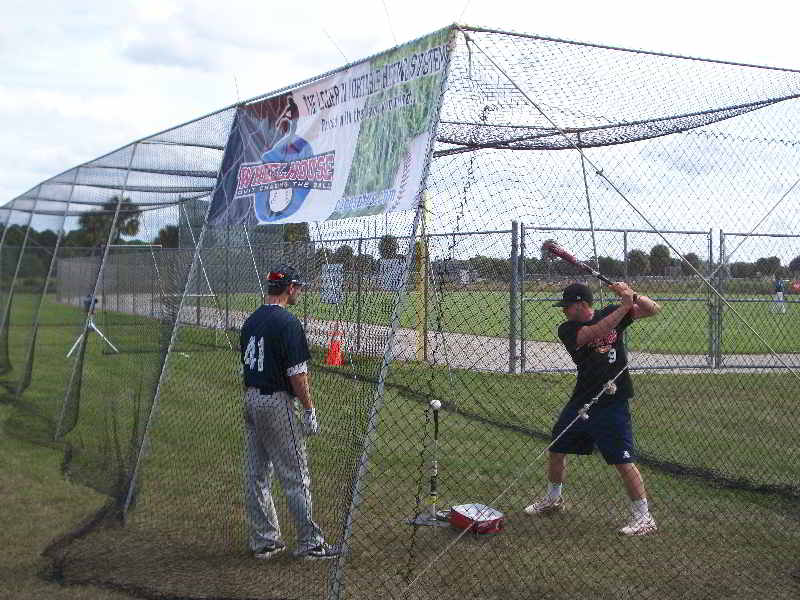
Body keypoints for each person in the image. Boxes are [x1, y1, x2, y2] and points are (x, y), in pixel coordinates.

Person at [524, 281, 661, 536]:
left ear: (582, 305)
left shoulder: (612, 311)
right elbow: (594, 333)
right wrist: (624, 307)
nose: (564, 310)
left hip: (612, 401)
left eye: (568, 306)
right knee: (557, 446)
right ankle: (554, 499)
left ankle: (644, 518)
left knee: (622, 460)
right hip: (583, 399)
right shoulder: (568, 328)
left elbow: (654, 309)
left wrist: (631, 294)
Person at [240, 265, 339, 560]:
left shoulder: (251, 320)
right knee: (296, 475)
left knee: (257, 475)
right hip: (276, 403)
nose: (299, 291)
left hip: (251, 398)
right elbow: (297, 374)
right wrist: (309, 409)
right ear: (289, 288)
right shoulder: (288, 322)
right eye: (297, 286)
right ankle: (310, 543)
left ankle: (265, 540)